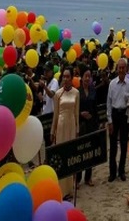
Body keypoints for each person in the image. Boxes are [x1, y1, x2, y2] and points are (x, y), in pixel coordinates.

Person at [50, 66, 80, 200]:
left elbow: (76, 113)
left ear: (72, 78)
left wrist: (77, 129)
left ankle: (69, 189)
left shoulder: (76, 93)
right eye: (64, 76)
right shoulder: (58, 94)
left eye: (68, 76)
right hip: (61, 127)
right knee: (61, 156)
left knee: (70, 156)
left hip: (72, 125)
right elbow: (55, 115)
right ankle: (61, 189)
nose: (66, 79)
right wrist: (53, 131)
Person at [106, 58, 129, 182]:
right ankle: (112, 172)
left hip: (124, 115)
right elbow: (108, 103)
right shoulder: (112, 84)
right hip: (114, 115)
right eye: (119, 68)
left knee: (124, 145)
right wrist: (109, 121)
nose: (121, 70)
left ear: (126, 69)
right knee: (113, 146)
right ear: (117, 69)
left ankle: (122, 171)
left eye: (123, 68)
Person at [76, 66, 98, 187]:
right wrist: (81, 114)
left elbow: (95, 108)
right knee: (80, 151)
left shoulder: (93, 90)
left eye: (89, 76)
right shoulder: (77, 92)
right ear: (82, 77)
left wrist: (96, 122)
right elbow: (74, 110)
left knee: (90, 151)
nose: (87, 78)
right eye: (86, 76)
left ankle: (88, 177)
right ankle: (78, 178)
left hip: (91, 124)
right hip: (81, 125)